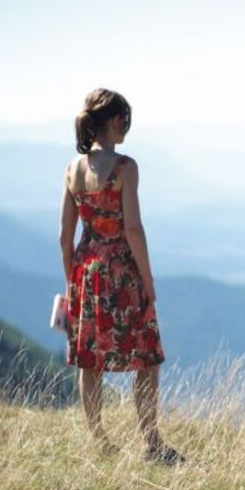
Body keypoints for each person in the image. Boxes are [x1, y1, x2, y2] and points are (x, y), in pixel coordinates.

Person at [58, 88, 185, 464]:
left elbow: (64, 237)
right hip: (120, 270)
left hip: (85, 269)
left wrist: (72, 283)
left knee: (89, 361)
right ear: (115, 121)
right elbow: (133, 229)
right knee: (146, 357)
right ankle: (151, 441)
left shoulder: (71, 170)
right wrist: (147, 280)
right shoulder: (125, 168)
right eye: (126, 120)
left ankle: (99, 441)